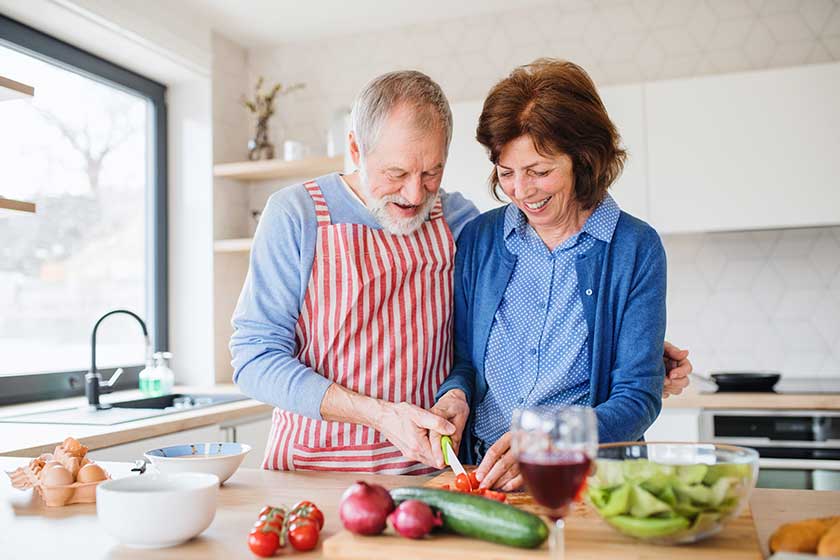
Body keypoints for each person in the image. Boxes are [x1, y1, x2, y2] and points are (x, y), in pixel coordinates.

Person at [231, 69, 691, 475]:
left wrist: (640, 353)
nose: (415, 195)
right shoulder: (296, 215)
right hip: (314, 467)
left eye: (432, 173)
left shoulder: (459, 221)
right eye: (396, 173)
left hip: (431, 472)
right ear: (355, 148)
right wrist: (381, 414)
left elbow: (512, 332)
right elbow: (254, 358)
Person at [430, 59, 675, 491]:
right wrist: (455, 395)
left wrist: (552, 441)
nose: (521, 190)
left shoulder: (634, 247)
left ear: (584, 159)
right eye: (506, 172)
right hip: (484, 475)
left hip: (588, 481)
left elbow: (637, 397)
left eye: (540, 172)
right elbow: (465, 361)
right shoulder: (481, 240)